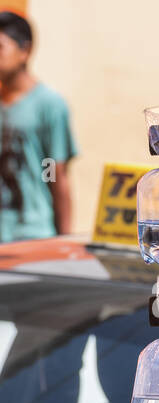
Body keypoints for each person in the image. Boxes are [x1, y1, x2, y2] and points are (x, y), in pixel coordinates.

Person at [0, 11, 73, 242]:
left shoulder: (49, 104)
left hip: (33, 233)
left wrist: (63, 238)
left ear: (25, 50)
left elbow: (54, 172)